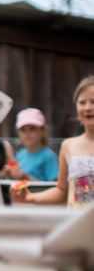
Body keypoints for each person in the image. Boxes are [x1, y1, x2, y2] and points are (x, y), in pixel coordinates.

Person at [13, 76, 94, 208]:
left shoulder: (48, 155)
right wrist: (30, 197)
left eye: (93, 101)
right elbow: (61, 191)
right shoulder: (68, 146)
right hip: (78, 223)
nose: (88, 107)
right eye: (82, 102)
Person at [10, 108, 59, 182]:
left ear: (42, 131)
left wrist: (25, 177)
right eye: (23, 130)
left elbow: (54, 186)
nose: (27, 133)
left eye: (32, 129)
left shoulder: (49, 156)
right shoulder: (20, 155)